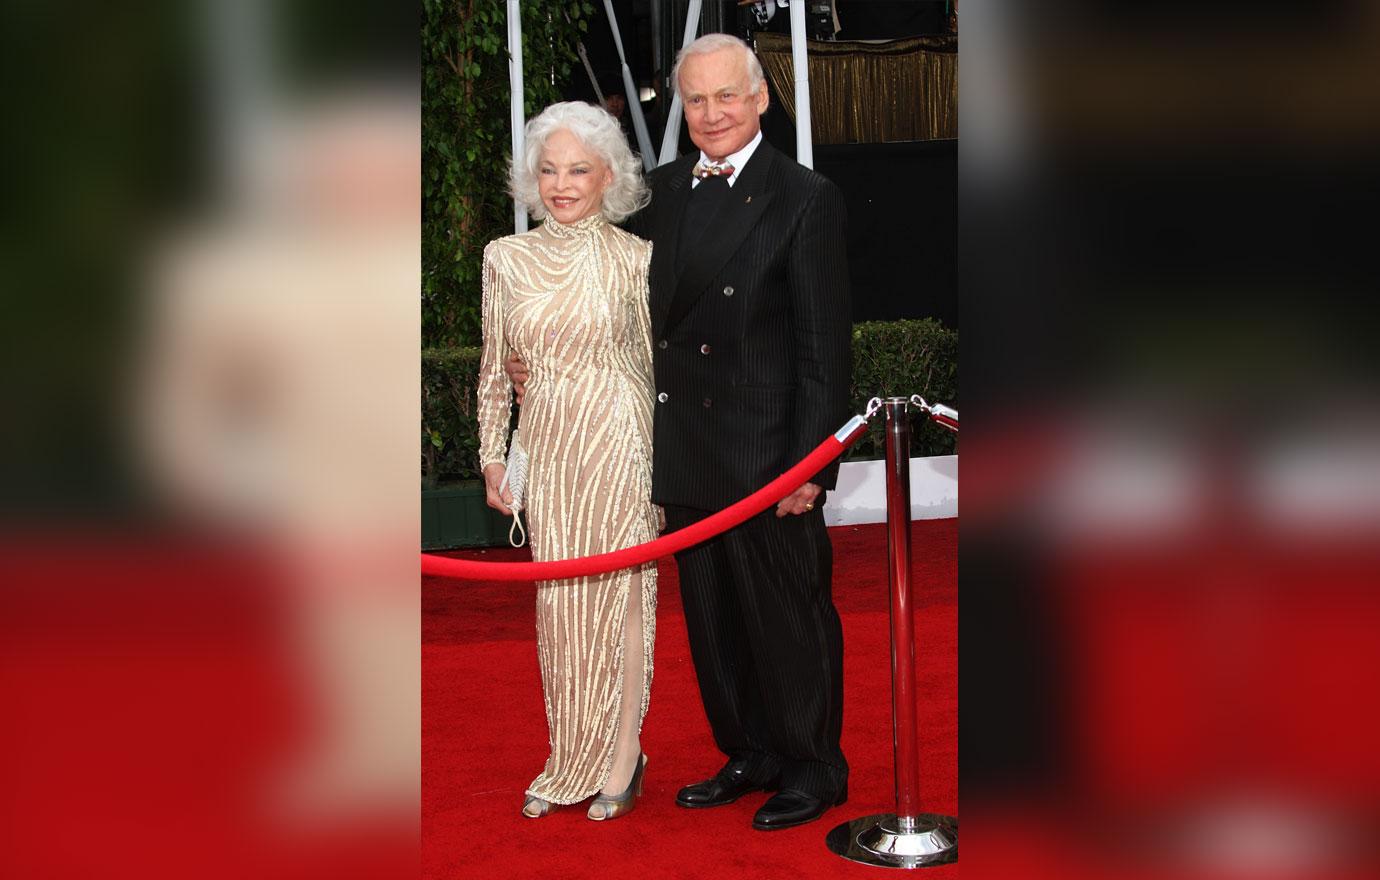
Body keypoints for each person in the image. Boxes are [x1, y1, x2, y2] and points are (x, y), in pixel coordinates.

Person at [508, 33, 852, 831]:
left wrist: (813, 465)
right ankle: (751, 751)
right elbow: (602, 286)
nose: (712, 113)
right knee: (714, 622)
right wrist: (540, 359)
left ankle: (813, 766)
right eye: (696, 100)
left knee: (788, 619)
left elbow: (823, 352)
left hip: (768, 457)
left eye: (726, 95)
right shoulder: (659, 193)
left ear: (761, 97)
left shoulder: (805, 198)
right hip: (684, 453)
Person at [476, 101, 657, 822]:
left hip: (620, 441)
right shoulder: (505, 258)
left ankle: (621, 755)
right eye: (547, 169)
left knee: (622, 599)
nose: (561, 183)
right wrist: (493, 457)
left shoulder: (636, 259)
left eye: (578, 169)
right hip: (548, 448)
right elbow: (494, 369)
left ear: (608, 175)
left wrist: (666, 467)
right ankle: (568, 757)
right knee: (561, 609)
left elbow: (651, 365)